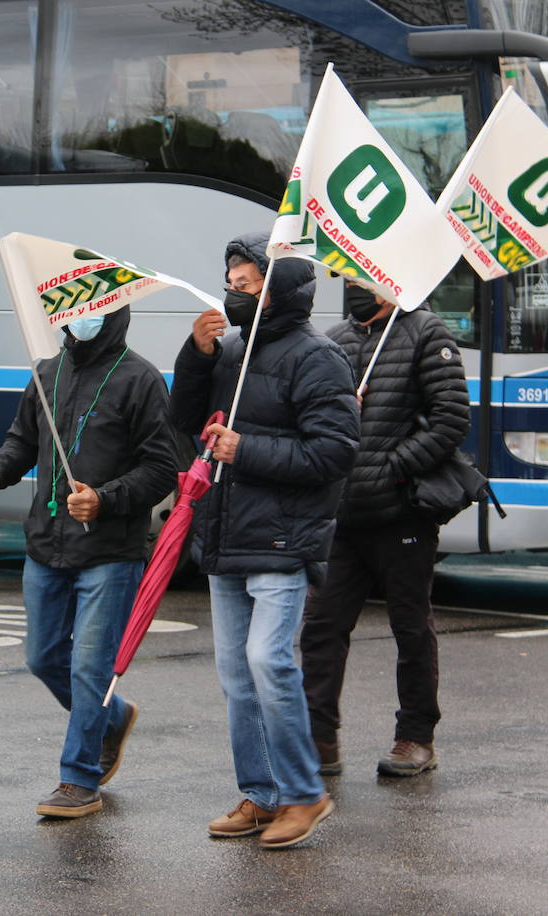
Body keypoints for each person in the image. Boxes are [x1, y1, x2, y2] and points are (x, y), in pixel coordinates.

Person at [169, 232, 359, 849]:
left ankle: (305, 794)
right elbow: (182, 421)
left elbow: (334, 451)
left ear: (278, 292)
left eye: (247, 284)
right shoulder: (229, 351)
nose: (234, 292)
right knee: (235, 674)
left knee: (267, 662)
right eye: (230, 282)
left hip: (282, 539)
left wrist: (246, 449)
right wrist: (195, 358)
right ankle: (261, 794)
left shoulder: (317, 357)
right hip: (227, 533)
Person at [0, 305, 178, 819]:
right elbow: (21, 441)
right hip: (46, 544)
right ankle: (114, 718)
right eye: (77, 310)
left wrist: (105, 499)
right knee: (42, 657)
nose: (83, 319)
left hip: (110, 552)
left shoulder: (140, 378)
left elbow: (162, 468)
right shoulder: (47, 372)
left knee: (89, 668)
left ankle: (79, 779)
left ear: (114, 314)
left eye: (96, 311)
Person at [300, 282, 470, 777]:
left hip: (401, 515)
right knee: (322, 628)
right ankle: (320, 740)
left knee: (410, 627)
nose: (354, 286)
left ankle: (416, 737)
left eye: (363, 278)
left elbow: (451, 419)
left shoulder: (426, 332)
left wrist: (393, 468)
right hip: (343, 518)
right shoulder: (333, 340)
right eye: (348, 279)